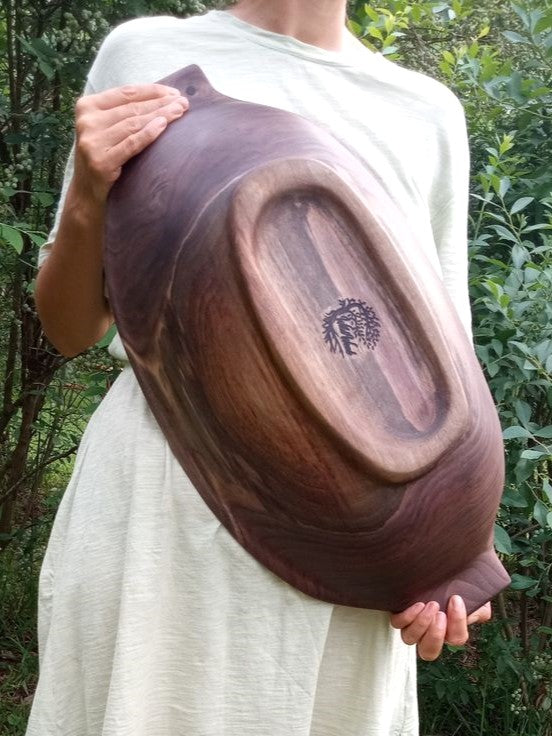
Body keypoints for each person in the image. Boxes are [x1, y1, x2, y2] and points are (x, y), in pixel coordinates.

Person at [28, 1, 492, 734]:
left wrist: (456, 554)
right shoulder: (148, 53)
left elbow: (443, 363)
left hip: (359, 537)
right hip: (163, 509)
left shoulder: (425, 111)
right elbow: (68, 327)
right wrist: (87, 198)